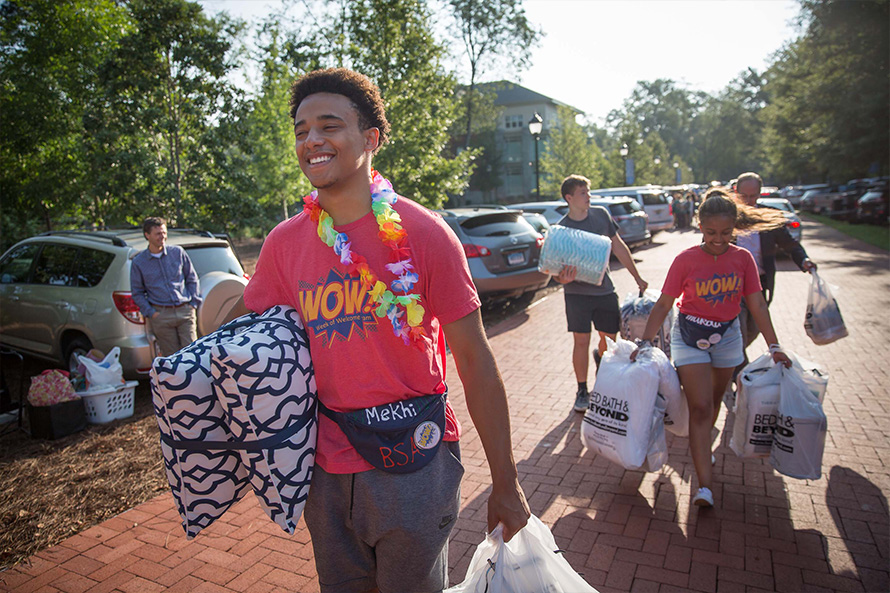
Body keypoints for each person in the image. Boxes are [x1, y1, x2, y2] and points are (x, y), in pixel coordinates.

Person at [222, 68, 529, 592]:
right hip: (325, 467)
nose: (311, 140)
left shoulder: (426, 234)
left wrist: (506, 480)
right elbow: (257, 342)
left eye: (328, 126)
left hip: (416, 462)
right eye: (300, 130)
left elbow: (476, 361)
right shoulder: (283, 244)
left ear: (370, 139)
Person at [631, 188, 791, 507]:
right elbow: (664, 304)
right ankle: (705, 487)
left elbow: (757, 304)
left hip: (727, 336)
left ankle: (701, 447)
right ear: (700, 227)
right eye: (711, 232)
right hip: (689, 334)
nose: (719, 239)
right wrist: (644, 342)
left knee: (714, 402)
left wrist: (775, 346)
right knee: (701, 406)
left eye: (726, 233)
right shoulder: (685, 260)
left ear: (734, 228)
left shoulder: (742, 259)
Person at [553, 175, 648, 413]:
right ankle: (582, 389)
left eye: (588, 191)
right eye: (583, 193)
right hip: (576, 295)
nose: (588, 196)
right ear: (569, 198)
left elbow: (618, 246)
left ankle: (602, 367)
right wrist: (560, 278)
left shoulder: (601, 216)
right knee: (581, 340)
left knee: (609, 340)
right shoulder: (561, 229)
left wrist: (636, 276)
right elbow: (555, 269)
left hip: (604, 291)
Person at [734, 172, 816, 374]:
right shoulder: (728, 217)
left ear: (760, 194)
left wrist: (803, 260)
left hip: (760, 284)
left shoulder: (768, 216)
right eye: (744, 196)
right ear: (736, 192)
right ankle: (741, 378)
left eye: (753, 196)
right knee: (739, 334)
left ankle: (731, 366)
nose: (749, 201)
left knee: (753, 330)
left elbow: (790, 243)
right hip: (733, 285)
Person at [130, 217, 202, 357]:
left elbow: (192, 278)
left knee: (193, 354)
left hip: (184, 311)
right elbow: (137, 292)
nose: (162, 236)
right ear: (147, 235)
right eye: (157, 233)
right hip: (161, 315)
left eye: (163, 232)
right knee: (172, 357)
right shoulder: (139, 262)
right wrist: (152, 313)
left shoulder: (178, 253)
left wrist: (193, 303)